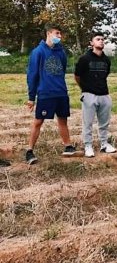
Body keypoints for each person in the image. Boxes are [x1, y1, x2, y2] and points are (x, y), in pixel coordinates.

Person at [25, 23, 76, 164]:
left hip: (61, 92)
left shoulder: (61, 52)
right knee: (38, 121)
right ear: (48, 34)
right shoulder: (38, 52)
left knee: (62, 119)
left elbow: (62, 69)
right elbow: (32, 75)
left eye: (60, 34)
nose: (59, 36)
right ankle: (29, 150)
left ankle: (68, 146)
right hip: (45, 93)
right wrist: (31, 97)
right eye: (57, 33)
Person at [74, 33, 117, 158]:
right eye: (98, 39)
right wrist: (85, 89)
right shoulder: (84, 59)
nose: (101, 41)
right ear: (92, 43)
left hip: (104, 94)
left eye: (103, 39)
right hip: (89, 94)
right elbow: (77, 76)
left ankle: (104, 144)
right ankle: (88, 145)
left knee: (104, 122)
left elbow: (106, 74)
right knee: (88, 123)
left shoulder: (106, 60)